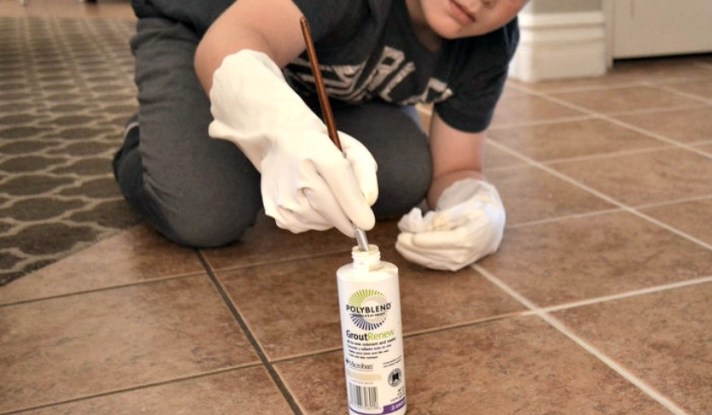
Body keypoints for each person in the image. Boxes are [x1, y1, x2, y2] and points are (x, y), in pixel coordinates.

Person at [113, 0, 527, 271]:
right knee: (206, 215)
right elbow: (233, 41)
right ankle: (145, 135)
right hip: (206, 36)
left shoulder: (491, 43)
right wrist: (280, 131)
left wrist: (478, 207)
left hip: (321, 82)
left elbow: (457, 166)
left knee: (401, 176)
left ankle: (274, 127)